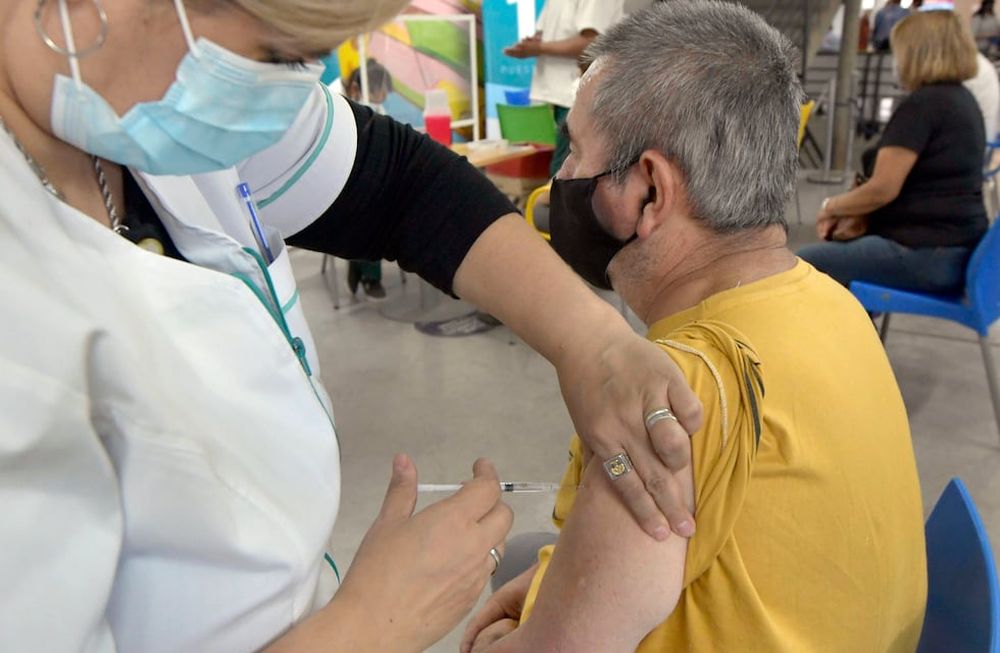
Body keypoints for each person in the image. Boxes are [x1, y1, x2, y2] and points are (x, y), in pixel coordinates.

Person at [0, 0, 708, 649]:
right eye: (277, 56)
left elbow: (402, 185)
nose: (284, 101)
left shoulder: (147, 104)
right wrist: (368, 624)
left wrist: (591, 340)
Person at [461, 3, 927, 651]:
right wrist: (553, 584)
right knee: (529, 556)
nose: (561, 175)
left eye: (576, 149)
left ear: (650, 190)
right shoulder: (831, 301)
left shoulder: (670, 399)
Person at [799, 9, 988, 296]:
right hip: (957, 253)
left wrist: (830, 206)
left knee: (804, 267)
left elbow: (882, 189)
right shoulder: (963, 101)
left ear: (915, 53)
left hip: (925, 256)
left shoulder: (923, 106)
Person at [503, 0, 623, 176]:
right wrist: (533, 45)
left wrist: (538, 47)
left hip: (576, 96)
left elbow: (591, 42)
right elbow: (546, 35)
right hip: (560, 96)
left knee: (566, 175)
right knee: (562, 172)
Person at [338, 59, 393, 299]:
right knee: (366, 215)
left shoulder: (374, 105)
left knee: (379, 208)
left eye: (384, 91)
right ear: (358, 88)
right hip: (336, 180)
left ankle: (358, 263)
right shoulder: (334, 99)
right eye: (378, 91)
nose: (382, 96)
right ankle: (370, 276)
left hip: (365, 176)